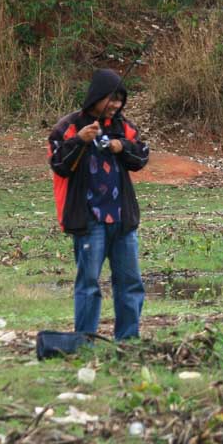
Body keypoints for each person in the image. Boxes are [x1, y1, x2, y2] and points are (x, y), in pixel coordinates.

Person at [48, 68, 149, 341]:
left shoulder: (124, 127)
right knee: (89, 284)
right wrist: (79, 141)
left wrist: (121, 146)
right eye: (111, 99)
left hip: (122, 220)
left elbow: (141, 157)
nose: (115, 105)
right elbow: (59, 165)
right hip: (88, 219)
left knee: (130, 283)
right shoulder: (68, 127)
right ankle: (84, 341)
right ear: (96, 96)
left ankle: (127, 340)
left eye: (120, 100)